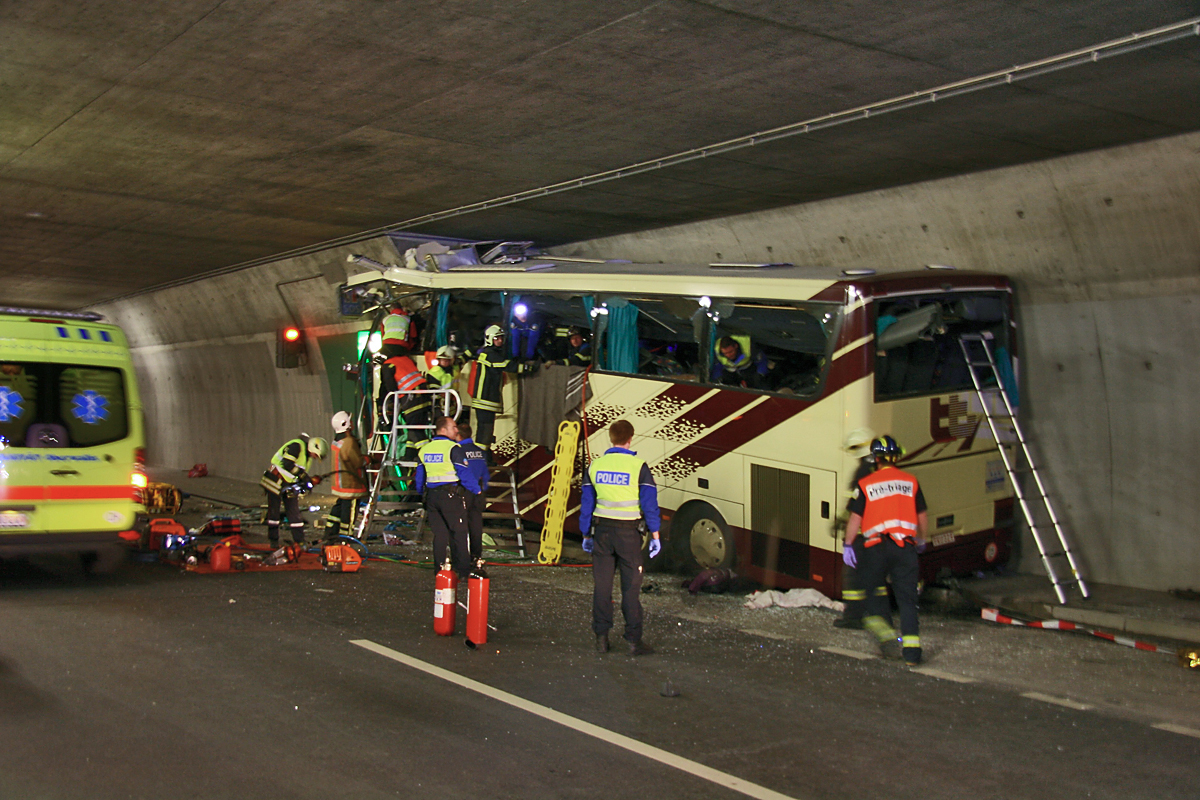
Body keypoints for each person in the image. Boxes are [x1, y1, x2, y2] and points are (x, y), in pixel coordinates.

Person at [843, 435, 928, 666]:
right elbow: (921, 516)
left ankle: (888, 640)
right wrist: (921, 540)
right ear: (896, 457)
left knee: (873, 593)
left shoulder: (866, 484)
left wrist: (848, 545)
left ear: (876, 459)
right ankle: (912, 653)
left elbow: (854, 519)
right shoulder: (911, 482)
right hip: (905, 548)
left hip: (876, 549)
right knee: (908, 601)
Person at [580, 419, 661, 656]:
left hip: (602, 533)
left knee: (602, 588)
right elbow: (649, 505)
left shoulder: (595, 466)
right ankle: (634, 641)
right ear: (630, 439)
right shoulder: (639, 466)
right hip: (629, 535)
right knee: (630, 589)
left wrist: (586, 533)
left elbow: (587, 504)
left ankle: (601, 639)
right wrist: (655, 535)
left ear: (611, 438)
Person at [415, 416, 481, 579]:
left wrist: (420, 492)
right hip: (451, 497)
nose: (456, 430)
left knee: (440, 535)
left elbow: (419, 477)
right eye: (453, 427)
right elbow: (463, 472)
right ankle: (463, 571)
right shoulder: (453, 448)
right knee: (459, 533)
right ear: (443, 430)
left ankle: (440, 570)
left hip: (432, 498)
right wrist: (476, 490)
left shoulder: (425, 449)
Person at [466, 324, 526, 461]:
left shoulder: (490, 354)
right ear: (490, 339)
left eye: (501, 338)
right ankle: (482, 460)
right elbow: (507, 366)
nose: (500, 341)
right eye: (497, 338)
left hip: (486, 400)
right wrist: (528, 367)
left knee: (486, 430)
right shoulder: (489, 355)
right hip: (485, 400)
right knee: (484, 431)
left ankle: (485, 457)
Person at [260, 434, 328, 548]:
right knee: (274, 512)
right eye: (315, 455)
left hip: (288, 484)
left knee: (294, 512)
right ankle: (273, 540)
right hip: (275, 479)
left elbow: (297, 473)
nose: (315, 457)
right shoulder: (296, 446)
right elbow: (286, 463)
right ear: (312, 447)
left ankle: (300, 540)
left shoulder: (307, 457)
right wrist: (304, 477)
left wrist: (306, 482)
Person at [325, 411, 367, 539]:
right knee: (349, 512)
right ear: (346, 425)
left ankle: (331, 533)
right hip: (351, 484)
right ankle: (346, 537)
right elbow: (357, 461)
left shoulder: (337, 441)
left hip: (340, 484)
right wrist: (369, 459)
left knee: (339, 507)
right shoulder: (349, 442)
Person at [455, 421, 489, 565]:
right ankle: (476, 556)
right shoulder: (479, 451)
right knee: (476, 525)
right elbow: (485, 473)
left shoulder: (458, 451)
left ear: (459, 435)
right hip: (478, 492)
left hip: (464, 490)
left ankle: (462, 557)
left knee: (460, 525)